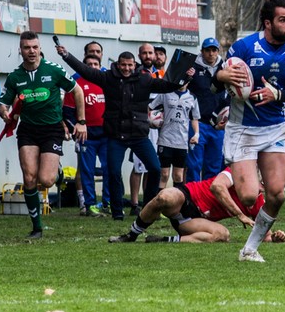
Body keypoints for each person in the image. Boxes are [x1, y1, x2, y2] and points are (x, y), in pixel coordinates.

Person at [213, 0, 285, 262]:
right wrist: (222, 76)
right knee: (248, 196)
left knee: (277, 195)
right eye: (283, 20)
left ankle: (249, 249)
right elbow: (213, 84)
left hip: (275, 128)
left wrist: (277, 95)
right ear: (268, 23)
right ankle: (239, 175)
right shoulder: (244, 47)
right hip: (243, 128)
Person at [55, 43, 189, 222]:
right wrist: (66, 56)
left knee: (155, 169)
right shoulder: (108, 78)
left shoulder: (144, 79)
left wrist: (186, 76)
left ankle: (149, 208)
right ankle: (117, 212)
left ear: (134, 65)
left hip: (139, 135)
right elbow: (85, 71)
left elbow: (167, 86)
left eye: (129, 65)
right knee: (113, 172)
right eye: (123, 65)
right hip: (116, 136)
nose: (126, 68)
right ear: (118, 65)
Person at [0, 32, 86, 239]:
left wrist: (81, 122)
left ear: (40, 49)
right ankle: (37, 227)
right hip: (28, 130)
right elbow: (3, 103)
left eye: (35, 47)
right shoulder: (14, 77)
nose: (31, 51)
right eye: (27, 48)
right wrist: (4, 113)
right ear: (20, 50)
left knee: (46, 180)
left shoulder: (53, 70)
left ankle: (57, 172)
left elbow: (78, 91)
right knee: (29, 177)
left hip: (52, 129)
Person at [109, 169, 285, 244]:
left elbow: (265, 236)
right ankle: (131, 235)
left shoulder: (258, 202)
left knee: (223, 235)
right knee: (165, 197)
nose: (262, 187)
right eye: (261, 182)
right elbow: (217, 186)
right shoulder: (237, 173)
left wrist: (276, 237)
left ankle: (164, 240)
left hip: (194, 220)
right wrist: (239, 214)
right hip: (188, 197)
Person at [62, 53, 109, 217]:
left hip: (106, 135)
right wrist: (75, 129)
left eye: (96, 64)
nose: (93, 67)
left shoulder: (106, 82)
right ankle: (89, 205)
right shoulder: (75, 84)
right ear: (83, 67)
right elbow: (67, 112)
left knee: (110, 169)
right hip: (86, 136)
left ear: (100, 66)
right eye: (89, 64)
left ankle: (108, 203)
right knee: (86, 171)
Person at [186, 37, 229, 182]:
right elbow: (180, 88)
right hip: (197, 124)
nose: (211, 53)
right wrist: (187, 77)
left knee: (214, 166)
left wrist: (226, 116)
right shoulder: (192, 67)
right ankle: (192, 195)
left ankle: (208, 195)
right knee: (194, 165)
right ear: (202, 51)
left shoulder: (225, 67)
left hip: (217, 125)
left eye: (214, 50)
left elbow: (232, 92)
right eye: (207, 50)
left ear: (218, 51)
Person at [128, 42, 161, 214]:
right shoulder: (135, 73)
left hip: (157, 127)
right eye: (144, 53)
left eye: (150, 53)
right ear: (139, 55)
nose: (148, 56)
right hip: (140, 127)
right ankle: (134, 204)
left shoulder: (159, 74)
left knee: (152, 166)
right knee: (138, 167)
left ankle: (149, 203)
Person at [150, 82, 199, 188]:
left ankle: (176, 199)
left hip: (182, 143)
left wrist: (196, 134)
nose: (182, 83)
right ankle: (161, 198)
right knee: (164, 175)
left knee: (178, 175)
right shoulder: (165, 94)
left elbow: (194, 118)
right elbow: (150, 107)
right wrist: (151, 120)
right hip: (165, 140)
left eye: (185, 81)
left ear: (189, 82)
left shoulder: (192, 97)